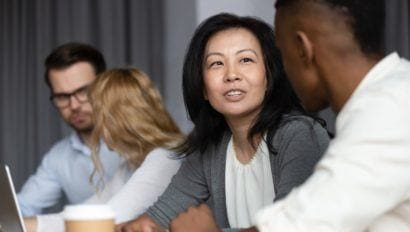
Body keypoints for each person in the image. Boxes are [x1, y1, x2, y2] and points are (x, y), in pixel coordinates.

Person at [168, 1, 410, 231]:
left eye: (281, 54)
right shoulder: (389, 96)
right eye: (216, 64)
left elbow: (302, 225)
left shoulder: (386, 111)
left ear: (302, 49)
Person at [119, 13, 330, 232]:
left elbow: (292, 226)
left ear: (269, 75)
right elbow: (159, 216)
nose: (231, 75)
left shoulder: (301, 134)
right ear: (203, 88)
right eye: (216, 63)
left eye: (246, 60)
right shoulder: (211, 148)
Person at [26, 68, 184, 232]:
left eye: (100, 116)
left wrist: (23, 226)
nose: (98, 128)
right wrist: (20, 225)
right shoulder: (130, 166)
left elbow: (103, 221)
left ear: (121, 119)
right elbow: (89, 212)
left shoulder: (165, 159)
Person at [18, 42, 123, 217]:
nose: (74, 105)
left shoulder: (137, 139)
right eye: (62, 96)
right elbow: (22, 207)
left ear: (104, 86)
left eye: (83, 91)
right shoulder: (58, 157)